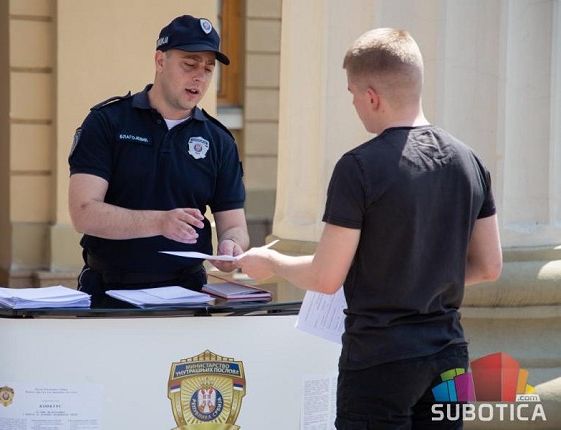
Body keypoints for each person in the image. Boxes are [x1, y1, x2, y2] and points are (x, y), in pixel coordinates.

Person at [237, 28, 502, 429]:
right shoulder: (470, 161)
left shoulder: (358, 167)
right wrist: (422, 277)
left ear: (372, 96)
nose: (354, 104)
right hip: (451, 356)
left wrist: (271, 261)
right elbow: (489, 267)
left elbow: (326, 277)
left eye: (352, 94)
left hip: (381, 361)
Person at [68, 15, 248, 305]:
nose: (200, 77)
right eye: (189, 64)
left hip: (187, 295)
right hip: (109, 293)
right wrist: (160, 222)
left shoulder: (219, 141)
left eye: (208, 68)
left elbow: (234, 225)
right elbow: (83, 213)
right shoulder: (107, 122)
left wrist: (232, 245)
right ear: (160, 61)